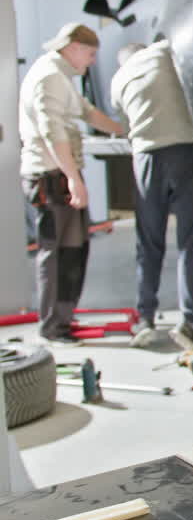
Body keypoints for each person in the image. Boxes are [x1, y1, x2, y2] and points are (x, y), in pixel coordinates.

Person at [19, 23, 124, 345]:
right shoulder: (49, 75)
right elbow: (53, 133)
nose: (92, 61)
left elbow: (87, 113)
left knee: (73, 250)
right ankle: (52, 325)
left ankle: (62, 318)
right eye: (91, 54)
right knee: (56, 253)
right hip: (50, 178)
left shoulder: (60, 77)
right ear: (74, 47)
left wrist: (124, 130)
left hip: (60, 176)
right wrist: (73, 179)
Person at [110, 41, 193, 353]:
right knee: (190, 241)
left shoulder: (119, 79)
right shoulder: (166, 52)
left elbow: (125, 128)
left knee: (148, 242)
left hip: (145, 159)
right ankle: (190, 323)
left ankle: (146, 320)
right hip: (184, 151)